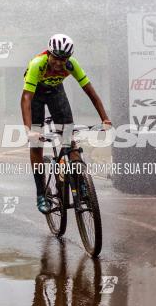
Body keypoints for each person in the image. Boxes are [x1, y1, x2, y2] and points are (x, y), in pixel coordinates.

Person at [22, 34, 111, 213]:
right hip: (36, 95)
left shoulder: (72, 65)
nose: (58, 63)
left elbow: (91, 93)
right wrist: (29, 129)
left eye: (63, 59)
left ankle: (81, 182)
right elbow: (26, 98)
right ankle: (41, 193)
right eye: (55, 58)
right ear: (49, 53)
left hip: (56, 92)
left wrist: (104, 118)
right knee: (36, 144)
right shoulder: (37, 64)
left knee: (69, 140)